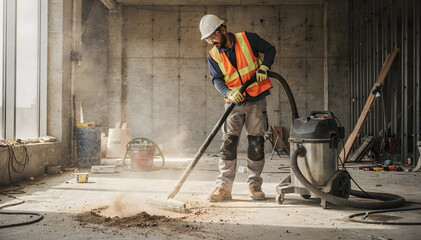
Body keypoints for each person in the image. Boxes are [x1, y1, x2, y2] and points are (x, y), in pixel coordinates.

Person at [199, 14, 276, 202]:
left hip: (256, 98)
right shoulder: (213, 54)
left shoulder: (248, 39)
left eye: (213, 36)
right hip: (234, 102)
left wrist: (265, 67)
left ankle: (255, 185)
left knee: (256, 143)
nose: (211, 41)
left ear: (222, 30)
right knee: (228, 144)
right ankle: (224, 187)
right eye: (208, 39)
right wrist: (228, 93)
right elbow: (216, 79)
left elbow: (270, 50)